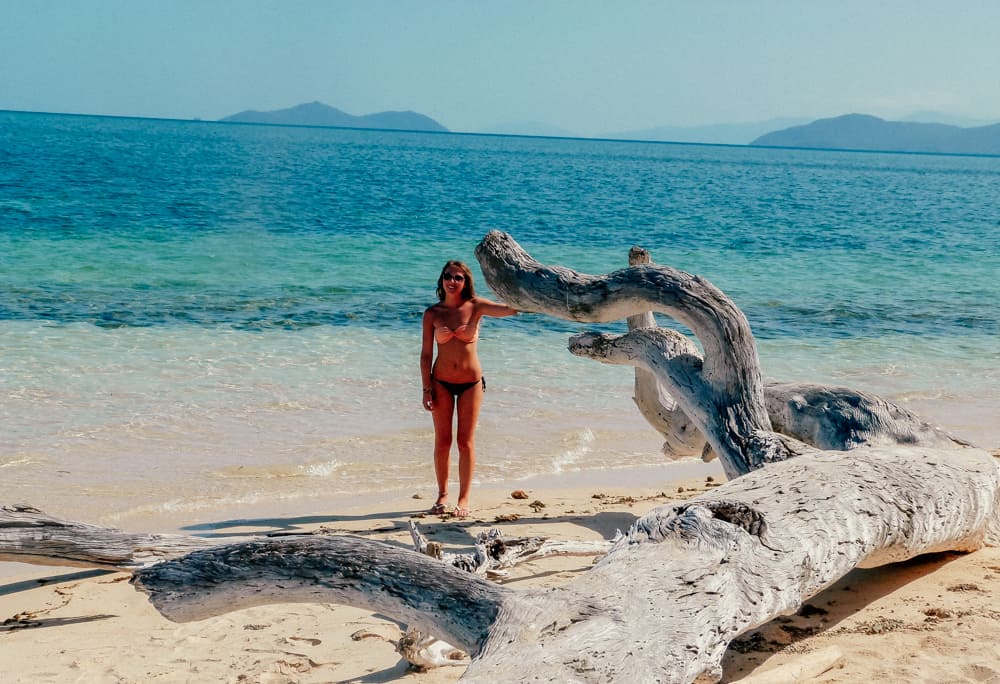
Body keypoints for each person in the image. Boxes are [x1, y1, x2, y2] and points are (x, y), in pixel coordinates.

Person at [420, 260, 517, 518]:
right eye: (448, 276)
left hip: (471, 384)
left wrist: (520, 287)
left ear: (466, 282)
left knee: (465, 442)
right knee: (443, 442)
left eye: (458, 277)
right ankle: (442, 495)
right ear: (441, 280)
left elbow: (512, 310)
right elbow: (426, 355)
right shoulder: (433, 313)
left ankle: (463, 499)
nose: (452, 281)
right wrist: (426, 389)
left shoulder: (476, 307)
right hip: (440, 382)